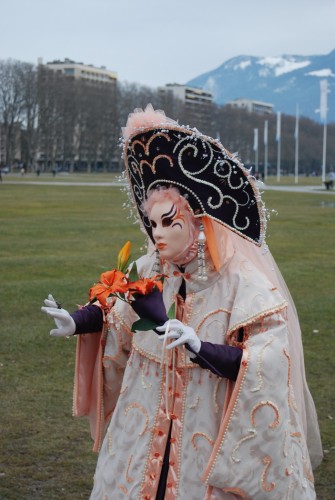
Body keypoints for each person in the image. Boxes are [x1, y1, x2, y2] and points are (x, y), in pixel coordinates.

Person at [42, 104, 322, 499]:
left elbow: (271, 360)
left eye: (169, 222)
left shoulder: (244, 283)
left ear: (197, 222)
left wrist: (202, 348)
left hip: (205, 432)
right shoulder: (149, 268)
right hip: (143, 426)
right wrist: (78, 321)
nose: (157, 234)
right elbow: (116, 311)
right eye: (152, 222)